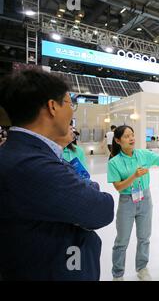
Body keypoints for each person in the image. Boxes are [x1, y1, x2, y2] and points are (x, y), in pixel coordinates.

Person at [0, 70, 114, 280]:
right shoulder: (32, 165)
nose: (72, 111)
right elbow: (102, 209)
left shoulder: (22, 153)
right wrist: (87, 187)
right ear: (53, 107)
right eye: (70, 103)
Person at [107, 125, 159, 281]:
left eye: (132, 135)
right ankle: (117, 274)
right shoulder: (114, 162)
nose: (131, 138)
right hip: (126, 201)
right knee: (122, 241)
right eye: (126, 136)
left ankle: (142, 268)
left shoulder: (143, 154)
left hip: (145, 199)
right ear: (118, 140)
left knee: (144, 237)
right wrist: (134, 176)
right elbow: (118, 187)